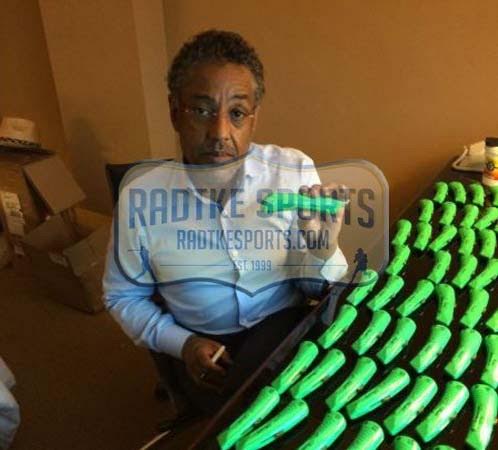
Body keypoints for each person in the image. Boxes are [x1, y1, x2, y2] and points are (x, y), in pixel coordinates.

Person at [103, 29, 348, 413]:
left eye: (236, 113)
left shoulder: (292, 171)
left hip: (282, 323)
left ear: (253, 119)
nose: (219, 133)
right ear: (174, 112)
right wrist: (182, 343)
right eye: (202, 110)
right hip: (205, 345)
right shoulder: (139, 199)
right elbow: (122, 296)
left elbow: (318, 288)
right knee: (245, 417)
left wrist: (323, 251)